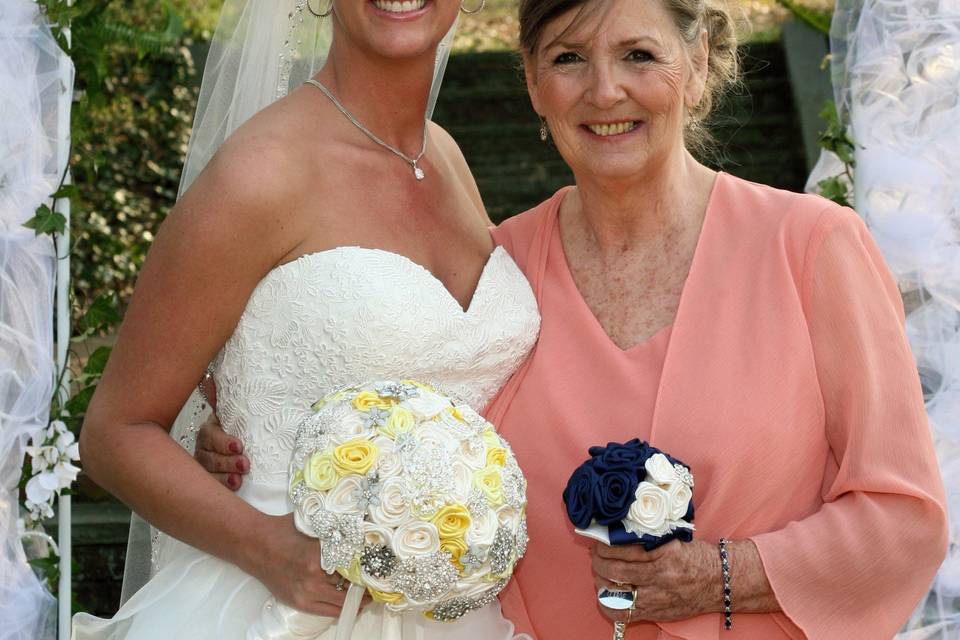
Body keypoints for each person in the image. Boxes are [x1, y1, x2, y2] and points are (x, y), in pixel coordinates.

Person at [199, 0, 950, 637]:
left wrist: (725, 575)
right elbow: (401, 424)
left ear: (695, 66)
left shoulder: (812, 248)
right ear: (531, 82)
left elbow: (902, 518)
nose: (605, 90)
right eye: (568, 59)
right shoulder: (495, 274)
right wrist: (251, 445)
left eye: (638, 55)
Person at [71, 0, 540, 638]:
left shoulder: (447, 157)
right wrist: (268, 549)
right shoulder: (261, 171)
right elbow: (113, 432)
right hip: (284, 611)